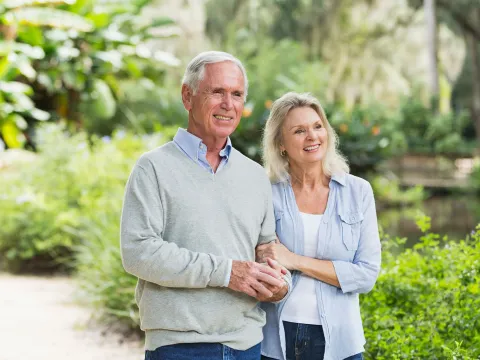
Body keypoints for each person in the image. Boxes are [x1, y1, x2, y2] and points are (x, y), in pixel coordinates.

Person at [120, 51, 290, 360]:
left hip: (247, 346)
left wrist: (279, 284)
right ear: (188, 96)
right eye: (217, 92)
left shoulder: (254, 175)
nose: (229, 104)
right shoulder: (153, 168)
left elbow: (266, 250)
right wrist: (227, 272)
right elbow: (138, 252)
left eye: (237, 94)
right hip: (178, 347)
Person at [257, 92, 381, 360]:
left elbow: (366, 275)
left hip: (341, 342)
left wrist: (294, 260)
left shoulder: (357, 192)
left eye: (317, 126)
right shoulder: (265, 193)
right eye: (299, 130)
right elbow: (260, 263)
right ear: (281, 143)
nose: (312, 136)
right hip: (276, 340)